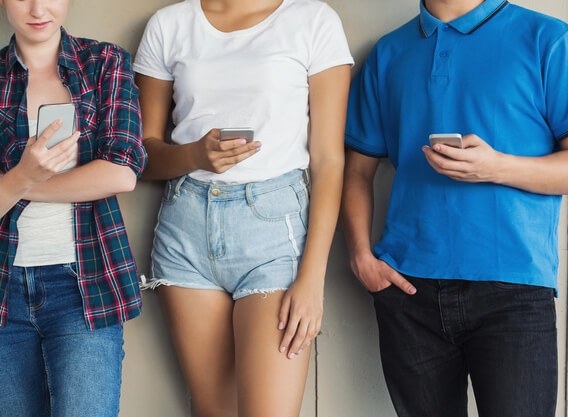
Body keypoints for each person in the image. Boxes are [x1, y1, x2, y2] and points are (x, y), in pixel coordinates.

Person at [342, 0, 568, 415]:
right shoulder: (389, 52)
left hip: (513, 289)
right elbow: (357, 170)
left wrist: (496, 167)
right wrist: (359, 256)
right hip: (407, 290)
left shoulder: (549, 39)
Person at [134, 0, 353, 415]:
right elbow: (143, 154)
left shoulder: (312, 20)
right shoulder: (169, 25)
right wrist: (196, 155)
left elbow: (329, 159)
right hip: (186, 228)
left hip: (274, 231)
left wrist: (313, 278)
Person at [0, 0, 146, 415]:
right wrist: (24, 176)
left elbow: (121, 172)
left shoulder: (106, 64)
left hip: (85, 285)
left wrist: (13, 184)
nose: (38, 8)